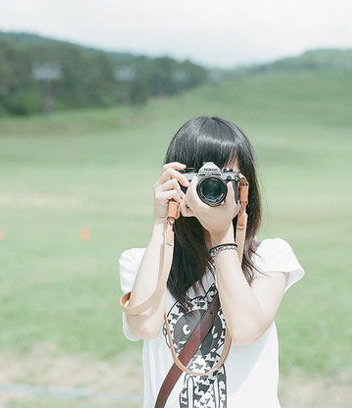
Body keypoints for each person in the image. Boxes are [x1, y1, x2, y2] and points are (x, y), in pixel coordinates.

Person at [119, 116, 304, 407]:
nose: (209, 189)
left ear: (243, 189)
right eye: (196, 179)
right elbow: (144, 327)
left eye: (222, 179)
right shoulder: (141, 260)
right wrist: (161, 221)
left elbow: (245, 330)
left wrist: (222, 234)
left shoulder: (269, 257)